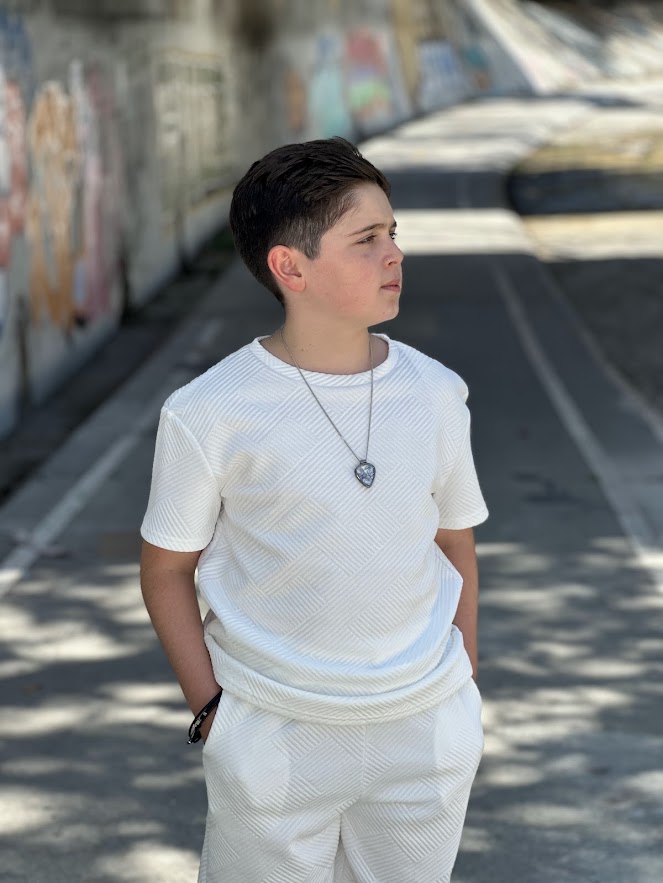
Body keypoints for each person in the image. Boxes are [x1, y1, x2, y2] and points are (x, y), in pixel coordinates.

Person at [140, 136, 489, 883]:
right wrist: (212, 711)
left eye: (392, 233)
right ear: (289, 267)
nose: (394, 253)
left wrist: (462, 681)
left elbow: (454, 541)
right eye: (366, 240)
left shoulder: (434, 393)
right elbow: (166, 567)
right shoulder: (209, 411)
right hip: (274, 730)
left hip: (423, 726)